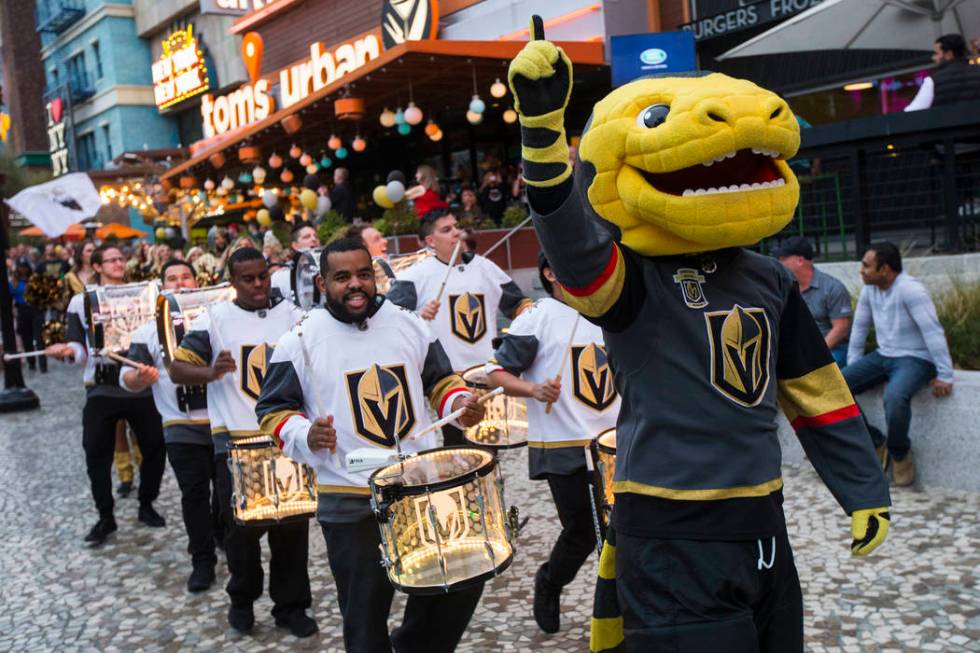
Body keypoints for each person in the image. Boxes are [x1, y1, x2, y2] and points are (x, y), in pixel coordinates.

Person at [508, 31, 891, 651]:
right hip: (668, 526)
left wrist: (862, 489)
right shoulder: (630, 280)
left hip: (763, 519)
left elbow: (816, 389)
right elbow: (572, 244)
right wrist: (543, 131)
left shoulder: (769, 278)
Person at [256, 238, 486, 653]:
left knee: (457, 584)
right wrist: (305, 433)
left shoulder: (409, 323)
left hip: (421, 486)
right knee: (364, 615)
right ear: (323, 283)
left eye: (364, 274)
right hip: (349, 499)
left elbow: (441, 382)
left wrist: (460, 405)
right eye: (342, 277)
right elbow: (272, 410)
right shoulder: (300, 340)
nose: (356, 284)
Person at [168, 248, 316, 637]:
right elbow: (177, 368)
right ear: (232, 282)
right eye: (247, 279)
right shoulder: (214, 319)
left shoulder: (293, 315)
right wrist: (211, 371)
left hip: (285, 435)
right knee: (241, 531)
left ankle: (291, 606)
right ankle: (242, 602)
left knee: (292, 523)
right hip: (236, 441)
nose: (257, 285)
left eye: (262, 276)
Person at [487, 252, 620, 634]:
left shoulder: (611, 309)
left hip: (615, 442)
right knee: (581, 530)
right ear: (549, 271)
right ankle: (550, 581)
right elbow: (496, 372)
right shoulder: (539, 315)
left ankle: (621, 613)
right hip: (563, 444)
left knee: (621, 529)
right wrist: (533, 388)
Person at [46, 244, 168, 546]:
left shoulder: (144, 294)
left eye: (120, 259)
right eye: (110, 260)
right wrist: (65, 351)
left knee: (155, 447)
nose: (118, 263)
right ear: (97, 266)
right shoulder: (81, 301)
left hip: (140, 384)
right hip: (102, 385)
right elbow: (78, 347)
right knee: (95, 451)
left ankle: (146, 503)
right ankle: (105, 516)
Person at [387, 209, 532, 445]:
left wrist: (528, 315)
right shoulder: (414, 276)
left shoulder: (484, 267)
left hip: (485, 375)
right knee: (459, 449)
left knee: (489, 446)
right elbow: (389, 324)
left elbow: (518, 303)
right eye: (447, 230)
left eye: (456, 226)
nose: (456, 232)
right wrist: (417, 316)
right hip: (449, 380)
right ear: (430, 241)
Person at [119, 259, 219, 593]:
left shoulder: (220, 320)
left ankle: (226, 541)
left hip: (223, 422)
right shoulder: (148, 331)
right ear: (162, 289)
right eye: (172, 279)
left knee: (226, 493)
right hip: (180, 424)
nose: (179, 283)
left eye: (185, 277)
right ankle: (202, 561)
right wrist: (139, 376)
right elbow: (127, 379)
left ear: (197, 282)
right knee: (193, 493)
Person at [843, 243, 954, 487]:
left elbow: (933, 332)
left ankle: (899, 453)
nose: (861, 270)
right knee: (838, 387)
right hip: (884, 355)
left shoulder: (911, 290)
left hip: (916, 359)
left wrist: (945, 374)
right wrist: (854, 369)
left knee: (894, 397)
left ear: (885, 269)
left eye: (866, 265)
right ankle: (874, 442)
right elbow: (859, 330)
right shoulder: (869, 290)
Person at [774, 236, 852, 367]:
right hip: (798, 351)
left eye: (783, 259)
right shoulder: (783, 288)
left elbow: (840, 329)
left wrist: (815, 355)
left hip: (832, 349)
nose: (779, 263)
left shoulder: (832, 287)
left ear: (800, 260)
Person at [905, 33, 980, 111]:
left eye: (936, 53)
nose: (933, 58)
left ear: (949, 54)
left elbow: (912, 111)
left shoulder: (933, 81)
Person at [270, 222, 321, 303]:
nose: (314, 239)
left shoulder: (328, 268)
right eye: (307, 237)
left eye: (316, 236)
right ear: (295, 245)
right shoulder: (280, 276)